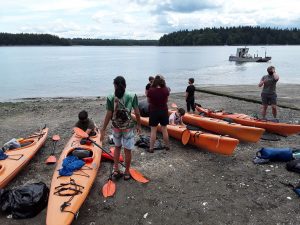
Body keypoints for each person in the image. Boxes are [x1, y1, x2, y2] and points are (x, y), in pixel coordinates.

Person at [100, 76, 141, 180]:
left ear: (114, 86)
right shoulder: (132, 95)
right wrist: (139, 125)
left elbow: (109, 113)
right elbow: (136, 112)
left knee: (117, 148)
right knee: (127, 150)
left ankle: (116, 170)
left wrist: (103, 128)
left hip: (116, 127)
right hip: (128, 127)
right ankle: (127, 172)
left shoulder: (110, 97)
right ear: (125, 85)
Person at [147, 75, 170, 153]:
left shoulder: (151, 90)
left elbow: (148, 101)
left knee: (153, 130)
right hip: (163, 110)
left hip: (154, 111)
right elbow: (166, 101)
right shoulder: (165, 90)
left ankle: (151, 148)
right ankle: (167, 146)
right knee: (164, 129)